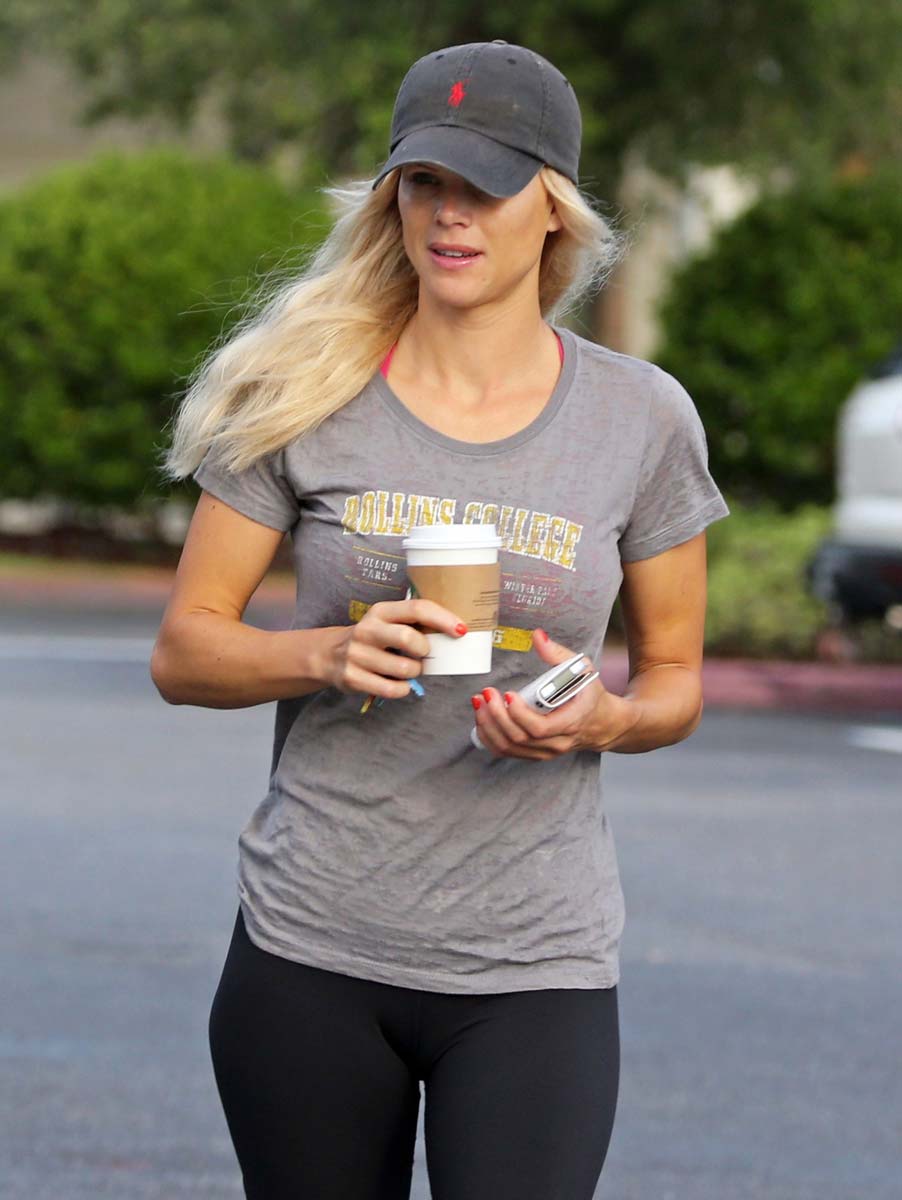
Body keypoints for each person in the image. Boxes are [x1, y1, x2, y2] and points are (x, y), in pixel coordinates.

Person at [152, 38, 730, 1200]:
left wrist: (602, 720)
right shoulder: (302, 391)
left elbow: (673, 680)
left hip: (534, 963)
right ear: (392, 199)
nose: (449, 214)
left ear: (552, 208)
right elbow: (185, 650)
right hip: (312, 944)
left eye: (486, 186)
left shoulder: (639, 417)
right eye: (424, 182)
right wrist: (326, 651)